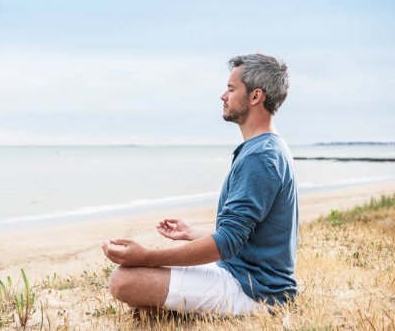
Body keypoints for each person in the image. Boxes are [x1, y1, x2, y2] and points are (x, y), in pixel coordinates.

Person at [101, 53, 299, 316]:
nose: (223, 96)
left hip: (256, 291)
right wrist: (191, 232)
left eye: (231, 88)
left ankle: (173, 310)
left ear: (255, 96)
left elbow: (228, 241)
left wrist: (146, 256)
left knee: (123, 280)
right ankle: (167, 310)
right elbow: (246, 233)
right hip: (241, 272)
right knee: (167, 257)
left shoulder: (261, 157)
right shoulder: (266, 148)